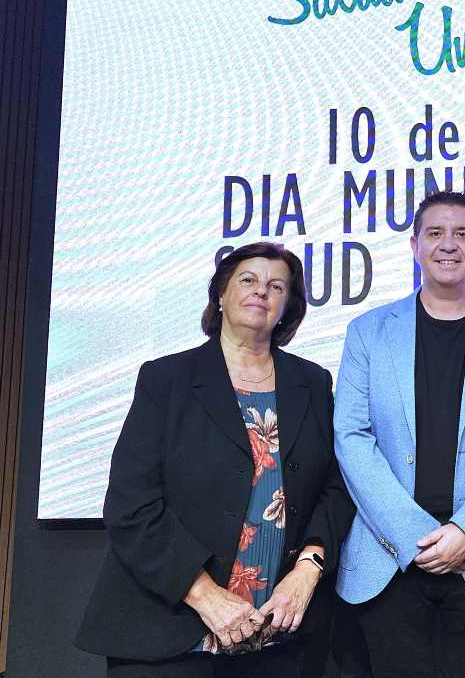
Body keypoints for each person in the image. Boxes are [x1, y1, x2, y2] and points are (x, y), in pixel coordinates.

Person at [75, 242, 355, 677]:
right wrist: (204, 595)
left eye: (276, 286)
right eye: (248, 280)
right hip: (168, 632)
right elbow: (131, 504)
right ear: (220, 295)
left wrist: (307, 570)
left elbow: (336, 489)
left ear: (288, 307)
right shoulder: (166, 378)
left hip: (280, 639)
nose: (261, 291)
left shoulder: (313, 383)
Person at [333, 190, 465, 678]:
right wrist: (415, 538)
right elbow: (351, 436)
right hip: (389, 559)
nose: (449, 244)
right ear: (415, 246)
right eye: (435, 233)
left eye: (463, 233)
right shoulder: (368, 331)